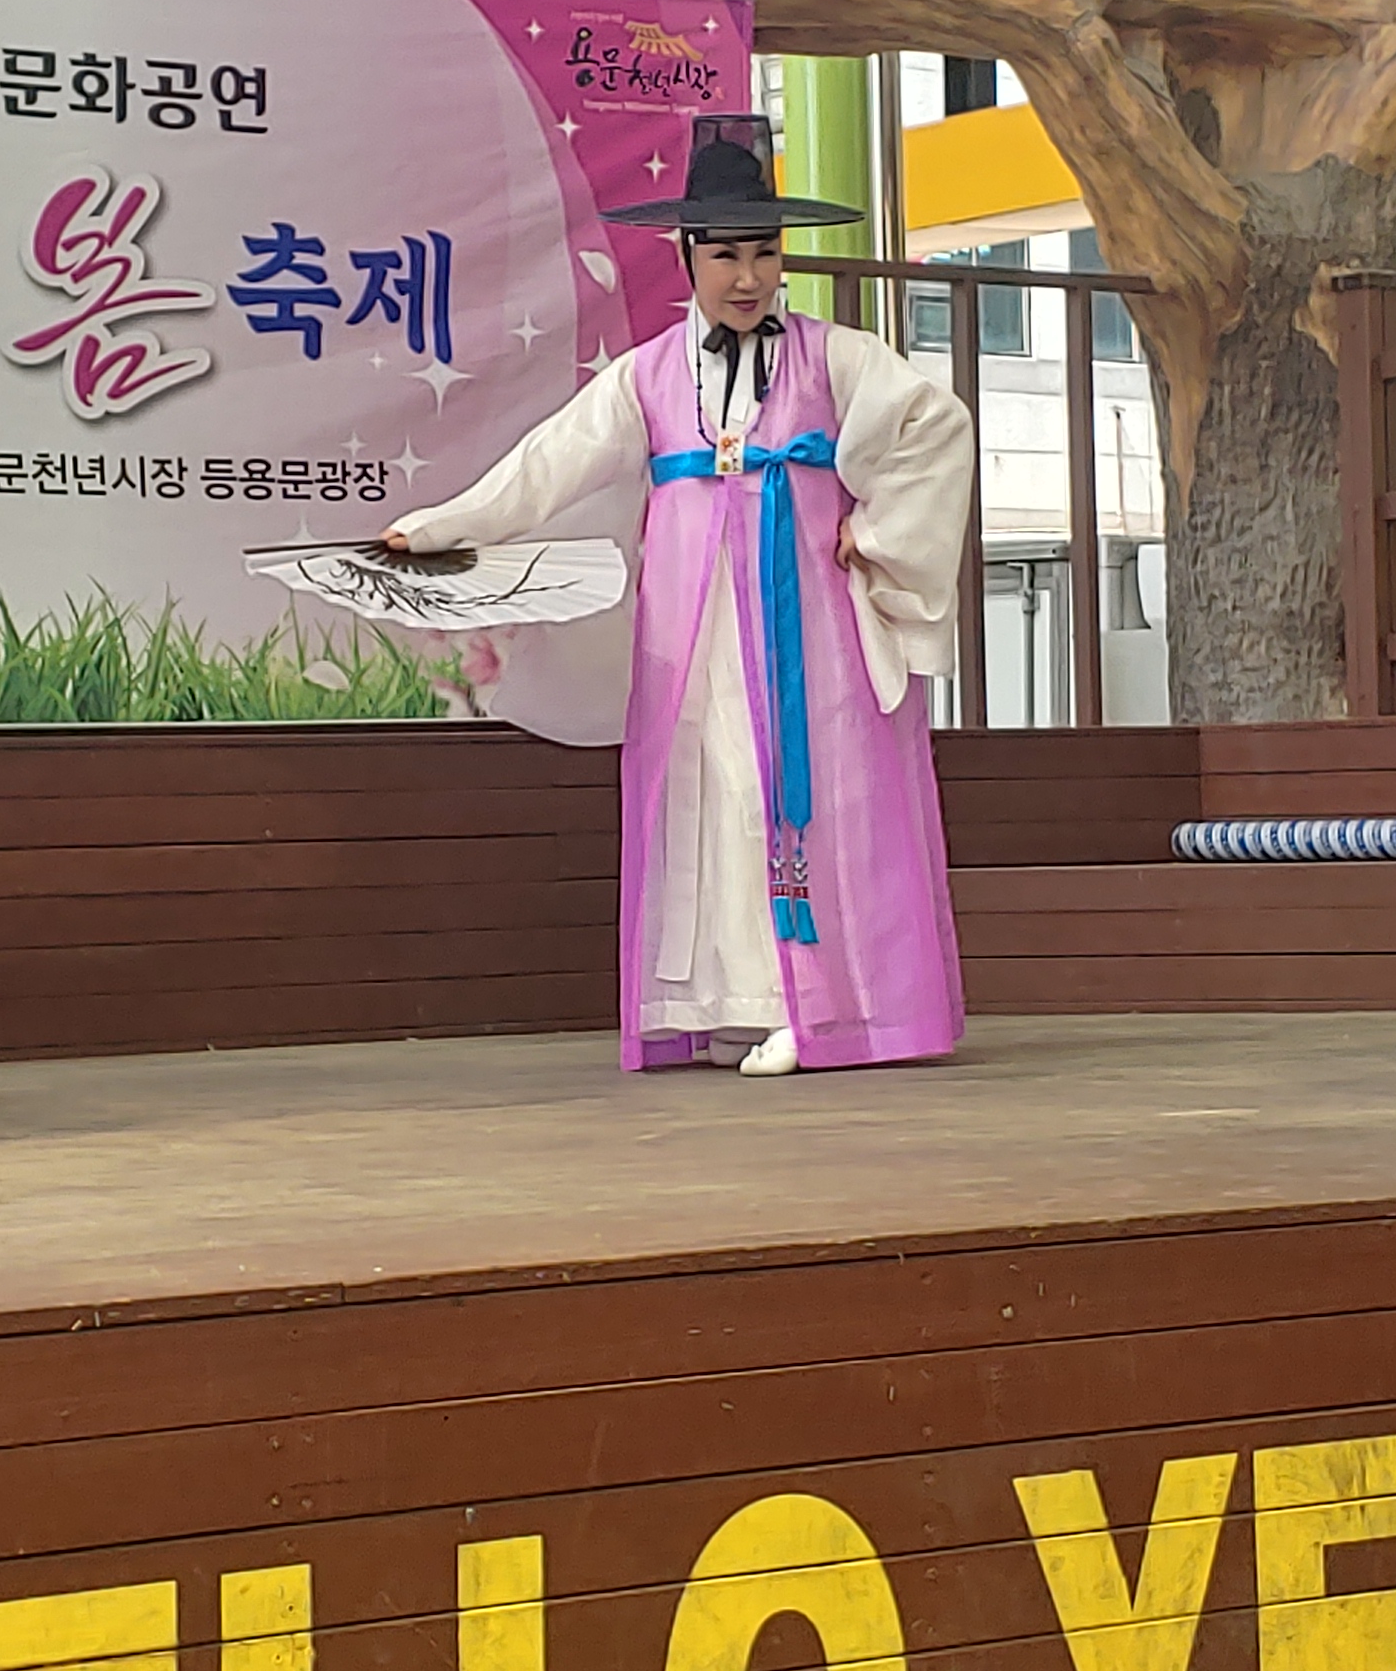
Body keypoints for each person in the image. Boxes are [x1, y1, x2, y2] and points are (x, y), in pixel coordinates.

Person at [390, 117, 971, 1075]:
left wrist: (872, 534)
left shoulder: (837, 357)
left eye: (764, 253)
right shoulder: (651, 374)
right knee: (707, 791)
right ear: (687, 255)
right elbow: (549, 465)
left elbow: (936, 428)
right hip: (691, 625)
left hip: (804, 631)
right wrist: (440, 527)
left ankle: (812, 1006)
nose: (748, 277)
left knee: (795, 796)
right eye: (726, 255)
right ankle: (731, 999)